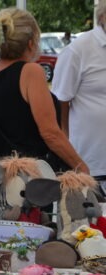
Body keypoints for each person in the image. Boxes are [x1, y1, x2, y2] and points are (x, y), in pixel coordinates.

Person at [0, 7, 88, 175]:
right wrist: (82, 168)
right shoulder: (30, 72)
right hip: (29, 179)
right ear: (30, 42)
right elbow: (51, 134)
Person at [52, 1, 106, 192]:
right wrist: (67, 147)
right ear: (103, 16)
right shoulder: (78, 50)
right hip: (90, 165)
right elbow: (60, 101)